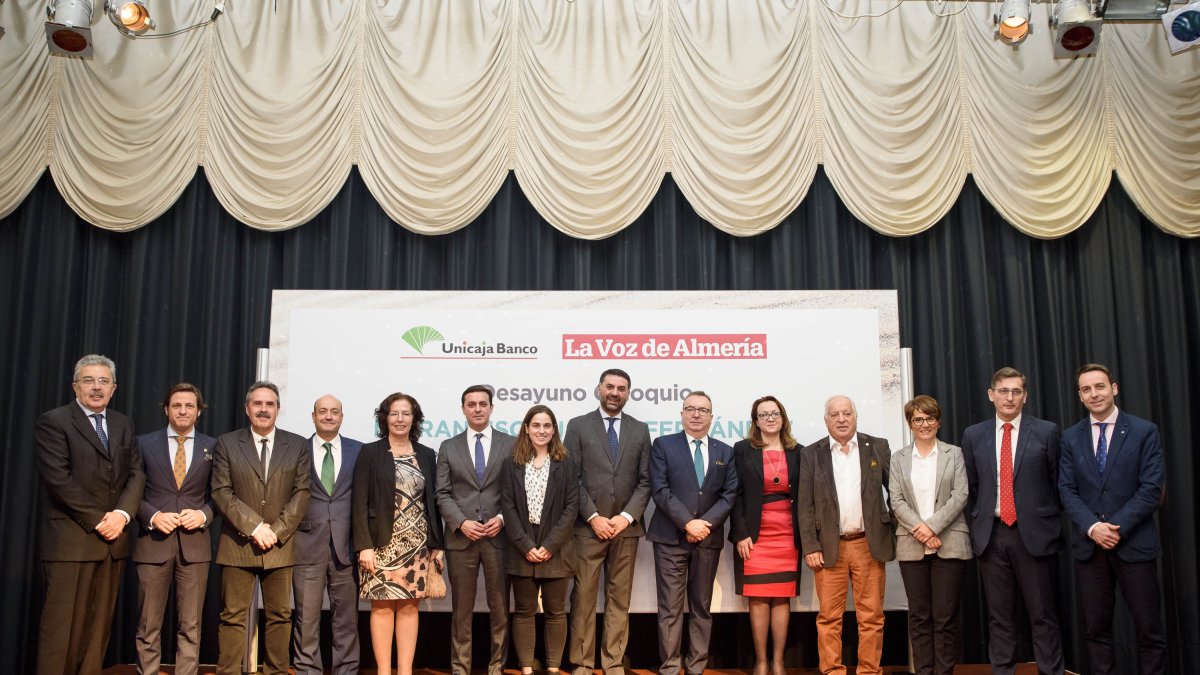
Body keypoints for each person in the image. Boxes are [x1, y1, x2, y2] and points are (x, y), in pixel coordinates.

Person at [35, 354, 145, 675]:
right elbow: (59, 480)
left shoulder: (123, 424)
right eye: (88, 380)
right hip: (71, 542)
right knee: (61, 632)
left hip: (113, 543)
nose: (96, 387)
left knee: (97, 634)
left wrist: (122, 515)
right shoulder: (54, 422)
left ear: (114, 388)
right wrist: (100, 520)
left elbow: (136, 473)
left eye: (103, 381)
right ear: (75, 386)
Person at [1059, 364, 1167, 675]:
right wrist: (1094, 528)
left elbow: (1151, 489)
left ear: (1114, 389)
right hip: (1090, 548)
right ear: (1080, 396)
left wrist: (1115, 527)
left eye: (1100, 386)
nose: (1094, 394)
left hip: (1134, 544)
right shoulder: (1070, 438)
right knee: (1096, 631)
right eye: (1086, 389)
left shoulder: (1144, 431)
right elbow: (1067, 490)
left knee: (1149, 631)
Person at [961, 367, 1064, 675]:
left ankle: (1051, 671)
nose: (1009, 397)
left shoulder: (1046, 432)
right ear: (991, 395)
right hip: (992, 536)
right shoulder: (973, 435)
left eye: (1016, 391)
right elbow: (973, 486)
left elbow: (1058, 483)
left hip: (1034, 535)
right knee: (1000, 616)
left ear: (1025, 396)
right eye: (1003, 391)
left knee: (1042, 614)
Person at [211, 381, 311, 675]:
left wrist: (275, 531)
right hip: (238, 545)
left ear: (278, 409)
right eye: (258, 403)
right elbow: (221, 491)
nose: (263, 409)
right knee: (232, 616)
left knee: (280, 616)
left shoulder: (297, 445)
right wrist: (255, 527)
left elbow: (302, 493)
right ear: (247, 408)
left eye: (269, 404)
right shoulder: (227, 443)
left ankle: (276, 672)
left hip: (279, 546)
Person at [796, 395, 893, 675]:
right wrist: (810, 546)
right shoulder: (811, 453)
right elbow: (805, 504)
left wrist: (893, 528)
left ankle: (869, 671)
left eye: (847, 413)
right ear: (826, 420)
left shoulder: (877, 446)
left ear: (856, 417)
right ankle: (832, 671)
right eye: (835, 414)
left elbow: (896, 492)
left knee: (871, 616)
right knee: (829, 617)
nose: (841, 419)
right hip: (828, 546)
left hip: (868, 544)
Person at [564, 368, 652, 675]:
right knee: (583, 598)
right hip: (588, 528)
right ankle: (582, 663)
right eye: (610, 386)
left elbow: (645, 481)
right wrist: (593, 516)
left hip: (625, 530)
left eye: (621, 388)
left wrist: (626, 517)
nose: (615, 392)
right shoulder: (577, 426)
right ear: (599, 389)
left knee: (619, 599)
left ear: (628, 393)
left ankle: (613, 662)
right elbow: (571, 477)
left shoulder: (640, 429)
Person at [647, 391, 738, 675]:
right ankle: (670, 667)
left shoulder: (725, 451)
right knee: (670, 608)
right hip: (670, 539)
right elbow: (660, 490)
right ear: (682, 414)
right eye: (690, 409)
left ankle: (696, 667)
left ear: (712, 416)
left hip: (707, 540)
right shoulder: (663, 445)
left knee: (701, 606)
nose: (696, 414)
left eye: (703, 410)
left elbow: (729, 494)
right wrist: (688, 523)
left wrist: (703, 525)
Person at [352, 392, 443, 675]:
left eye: (406, 413)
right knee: (381, 608)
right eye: (394, 413)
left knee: (409, 608)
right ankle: (383, 671)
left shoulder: (426, 454)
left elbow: (433, 503)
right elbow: (359, 502)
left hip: (417, 545)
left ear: (414, 419)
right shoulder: (370, 452)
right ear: (385, 418)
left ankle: (405, 671)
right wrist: (364, 546)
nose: (400, 419)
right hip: (380, 545)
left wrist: (437, 544)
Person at [133, 382, 217, 675]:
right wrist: (152, 516)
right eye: (177, 405)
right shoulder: (144, 443)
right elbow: (129, 492)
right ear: (166, 410)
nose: (183, 411)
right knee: (148, 624)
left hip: (195, 546)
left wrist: (204, 515)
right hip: (153, 543)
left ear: (199, 411)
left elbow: (221, 494)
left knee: (190, 625)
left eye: (189, 406)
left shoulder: (213, 446)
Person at [435, 385, 516, 675]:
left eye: (483, 404)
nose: (478, 409)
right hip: (461, 539)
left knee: (500, 609)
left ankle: (497, 667)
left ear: (492, 408)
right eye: (472, 404)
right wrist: (461, 522)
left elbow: (517, 491)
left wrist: (503, 518)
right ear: (463, 409)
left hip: (499, 537)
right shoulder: (448, 447)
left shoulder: (511, 444)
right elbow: (442, 493)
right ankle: (460, 668)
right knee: (461, 610)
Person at [888, 395, 971, 675]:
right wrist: (922, 532)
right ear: (910, 423)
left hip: (950, 543)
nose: (925, 424)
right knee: (919, 616)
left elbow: (960, 495)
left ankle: (944, 672)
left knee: (945, 617)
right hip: (912, 547)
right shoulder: (898, 458)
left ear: (939, 421)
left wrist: (932, 527)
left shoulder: (954, 454)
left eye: (930, 418)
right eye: (918, 419)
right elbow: (896, 500)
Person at [500, 405, 581, 675]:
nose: (541, 430)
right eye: (536, 425)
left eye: (547, 426)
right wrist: (526, 545)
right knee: (524, 610)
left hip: (556, 548)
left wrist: (549, 545)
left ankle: (553, 669)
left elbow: (571, 507)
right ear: (526, 428)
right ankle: (526, 669)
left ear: (554, 430)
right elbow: (508, 507)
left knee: (556, 611)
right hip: (521, 547)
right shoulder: (512, 463)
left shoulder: (566, 463)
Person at [729, 395, 801, 675]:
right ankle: (761, 662)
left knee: (782, 597)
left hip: (788, 534)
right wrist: (740, 533)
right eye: (763, 415)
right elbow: (734, 495)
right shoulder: (742, 450)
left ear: (783, 418)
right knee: (758, 597)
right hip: (754, 535)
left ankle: (779, 662)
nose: (770, 418)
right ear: (755, 422)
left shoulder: (798, 451)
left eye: (775, 413)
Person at [292, 394, 363, 675]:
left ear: (342, 417)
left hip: (346, 548)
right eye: (322, 411)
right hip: (306, 545)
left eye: (334, 411)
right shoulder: (297, 449)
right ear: (313, 416)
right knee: (306, 619)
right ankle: (307, 670)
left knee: (346, 621)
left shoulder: (359, 450)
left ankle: (346, 670)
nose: (328, 416)